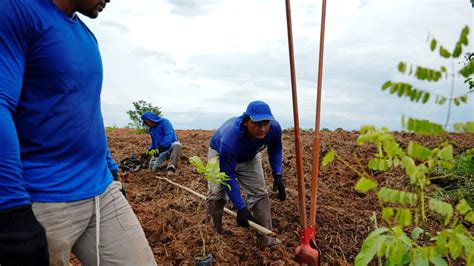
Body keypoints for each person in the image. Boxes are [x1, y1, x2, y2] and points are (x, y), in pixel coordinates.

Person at [0, 0, 156, 265]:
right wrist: (12, 208)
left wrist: (109, 165)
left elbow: (88, 109)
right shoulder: (17, 11)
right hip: (42, 198)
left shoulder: (86, 36)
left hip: (101, 191)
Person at [206, 100, 286, 247]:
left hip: (249, 156)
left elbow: (275, 149)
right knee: (217, 192)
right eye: (257, 124)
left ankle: (267, 241)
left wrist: (277, 175)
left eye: (265, 123)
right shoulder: (231, 139)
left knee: (260, 193)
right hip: (221, 154)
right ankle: (211, 236)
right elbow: (228, 176)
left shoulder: (273, 129)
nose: (262, 128)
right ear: (246, 122)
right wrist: (240, 208)